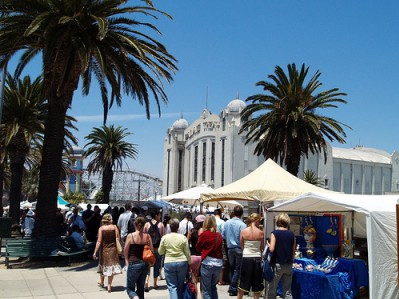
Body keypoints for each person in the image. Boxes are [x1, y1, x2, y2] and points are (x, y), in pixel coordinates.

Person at [158, 218, 191, 299]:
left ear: (169, 227)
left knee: (172, 286)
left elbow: (160, 252)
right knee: (180, 285)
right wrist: (189, 263)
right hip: (182, 262)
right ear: (178, 227)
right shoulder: (183, 237)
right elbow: (187, 252)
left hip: (169, 262)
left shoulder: (165, 238)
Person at [267, 213, 296, 299]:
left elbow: (271, 249)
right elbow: (293, 251)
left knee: (272, 290)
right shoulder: (292, 234)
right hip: (288, 264)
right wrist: (292, 262)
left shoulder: (274, 233)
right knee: (287, 290)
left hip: (277, 264)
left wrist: (268, 245)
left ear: (278, 221)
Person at [124, 216, 154, 299]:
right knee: (140, 289)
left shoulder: (131, 236)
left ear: (135, 224)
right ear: (144, 225)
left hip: (133, 263)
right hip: (144, 264)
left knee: (130, 289)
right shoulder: (147, 236)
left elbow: (125, 251)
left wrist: (127, 263)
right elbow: (151, 250)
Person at [92, 213, 122, 293]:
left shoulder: (101, 228)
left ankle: (102, 282)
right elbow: (118, 238)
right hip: (113, 249)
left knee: (103, 266)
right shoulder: (114, 227)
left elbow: (99, 241)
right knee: (111, 268)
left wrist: (95, 252)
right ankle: (109, 285)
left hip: (104, 250)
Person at [196, 215, 223, 299]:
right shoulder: (219, 235)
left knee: (207, 290)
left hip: (207, 263)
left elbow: (198, 247)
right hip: (218, 264)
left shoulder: (204, 234)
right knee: (213, 288)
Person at [237, 213, 264, 299]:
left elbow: (242, 246)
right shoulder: (261, 233)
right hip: (257, 258)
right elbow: (262, 247)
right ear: (256, 220)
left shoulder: (243, 231)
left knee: (243, 283)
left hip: (246, 257)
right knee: (257, 284)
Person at [222, 205, 246, 296]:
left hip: (230, 247)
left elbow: (223, 235)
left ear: (233, 213)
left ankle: (232, 286)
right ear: (242, 213)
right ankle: (233, 288)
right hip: (239, 248)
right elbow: (243, 237)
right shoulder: (242, 224)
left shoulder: (227, 223)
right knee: (237, 269)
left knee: (232, 268)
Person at [143, 211, 165, 291]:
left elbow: (144, 236)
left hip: (148, 248)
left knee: (148, 265)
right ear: (156, 215)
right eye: (159, 215)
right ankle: (155, 283)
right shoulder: (161, 225)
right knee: (157, 265)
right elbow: (163, 237)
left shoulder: (146, 224)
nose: (160, 216)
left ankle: (146, 282)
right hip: (157, 248)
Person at [214, 208, 227, 285]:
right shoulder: (222, 222)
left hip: (211, 242)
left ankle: (214, 279)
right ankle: (220, 280)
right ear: (220, 214)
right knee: (221, 260)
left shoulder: (211, 221)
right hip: (220, 241)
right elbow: (223, 233)